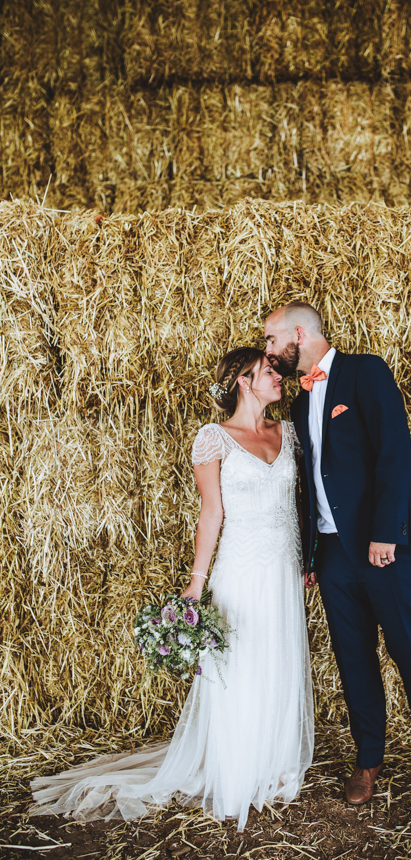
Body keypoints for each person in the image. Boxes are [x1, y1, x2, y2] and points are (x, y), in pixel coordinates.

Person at [31, 347, 314, 831]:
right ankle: (236, 767)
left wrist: (310, 559)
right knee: (240, 667)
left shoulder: (287, 433)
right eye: (270, 372)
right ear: (245, 381)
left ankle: (275, 761)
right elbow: (212, 514)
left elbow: (301, 505)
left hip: (283, 570)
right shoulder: (214, 439)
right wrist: (195, 584)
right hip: (241, 571)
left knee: (279, 656)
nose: (279, 378)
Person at [265, 303, 411, 812]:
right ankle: (368, 760)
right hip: (333, 556)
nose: (268, 351)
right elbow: (309, 484)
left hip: (385, 549)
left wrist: (385, 534)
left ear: (297, 332)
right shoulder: (299, 401)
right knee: (354, 659)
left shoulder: (365, 371)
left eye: (270, 339)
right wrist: (312, 553)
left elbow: (396, 452)